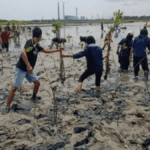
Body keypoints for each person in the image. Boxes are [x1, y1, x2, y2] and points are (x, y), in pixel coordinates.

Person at [6, 27, 63, 108]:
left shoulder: (37, 45)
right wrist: (28, 65)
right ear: (39, 36)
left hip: (29, 70)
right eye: (40, 36)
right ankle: (7, 106)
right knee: (14, 88)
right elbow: (23, 52)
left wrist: (57, 50)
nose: (40, 38)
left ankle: (33, 97)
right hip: (21, 69)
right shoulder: (30, 42)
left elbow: (45, 51)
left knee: (37, 83)